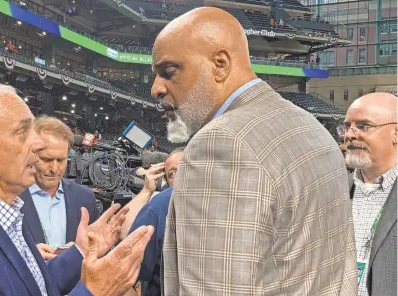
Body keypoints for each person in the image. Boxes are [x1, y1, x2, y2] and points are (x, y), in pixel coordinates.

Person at [151, 7, 357, 295]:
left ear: (219, 64)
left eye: (168, 72)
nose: (156, 88)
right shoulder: (311, 127)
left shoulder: (220, 142)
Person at [0, 81, 154, 296]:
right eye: (22, 131)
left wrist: (80, 250)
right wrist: (95, 291)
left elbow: (33, 286)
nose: (38, 144)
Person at [338, 92, 397, 296]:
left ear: (395, 133)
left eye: (364, 126)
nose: (350, 135)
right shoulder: (332, 193)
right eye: (347, 126)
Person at [20, 116, 100, 258]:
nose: (55, 169)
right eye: (46, 159)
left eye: (61, 160)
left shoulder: (85, 198)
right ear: (30, 154)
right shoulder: (10, 197)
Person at [121, 148, 184, 296]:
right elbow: (123, 232)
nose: (181, 176)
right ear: (166, 183)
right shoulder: (159, 205)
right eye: (173, 173)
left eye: (185, 168)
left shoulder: (161, 202)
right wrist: (146, 190)